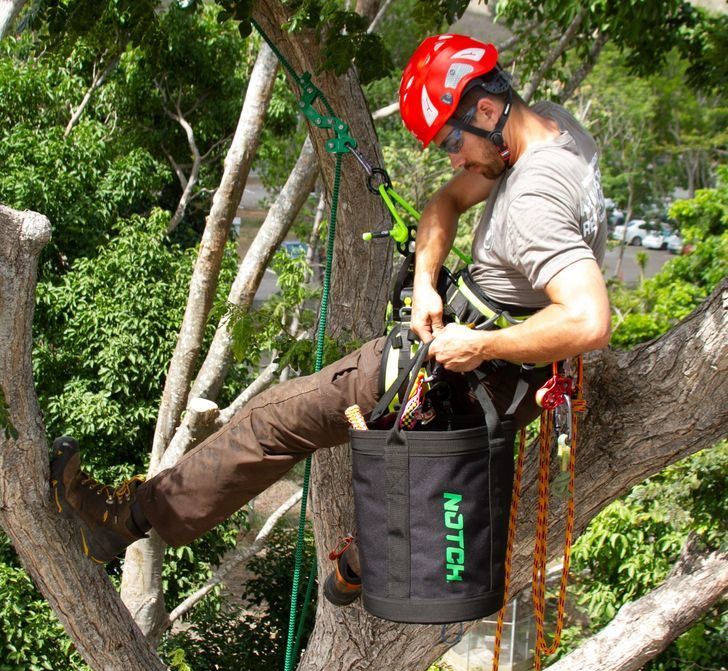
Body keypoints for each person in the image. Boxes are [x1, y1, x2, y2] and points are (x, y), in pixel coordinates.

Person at [51, 34, 610, 565]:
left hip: (457, 373)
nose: (455, 160)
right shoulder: (552, 130)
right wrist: (423, 282)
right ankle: (363, 566)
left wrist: (481, 343)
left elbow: (588, 321)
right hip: (496, 381)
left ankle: (121, 521)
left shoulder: (532, 195)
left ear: (486, 111)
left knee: (270, 421)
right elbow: (444, 203)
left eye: (450, 142)